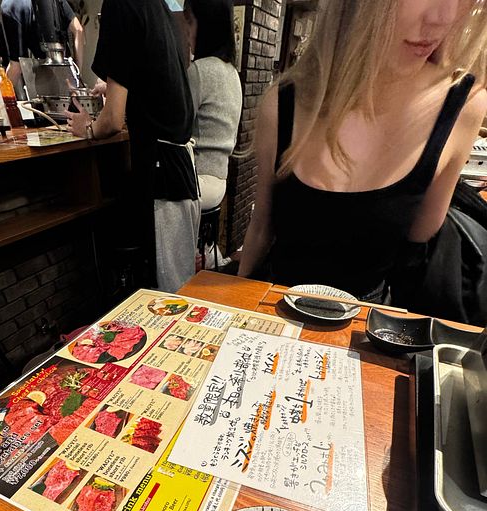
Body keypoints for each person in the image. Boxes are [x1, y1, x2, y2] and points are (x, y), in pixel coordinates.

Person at [237, 0, 487, 304]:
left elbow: (416, 258)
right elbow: (261, 229)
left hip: (368, 332)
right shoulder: (284, 102)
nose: (442, 18)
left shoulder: (463, 106)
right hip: (274, 313)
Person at [65, 0, 200, 294]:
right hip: (181, 170)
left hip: (160, 173)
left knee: (165, 296)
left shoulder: (122, 5)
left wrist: (87, 127)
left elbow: (111, 120)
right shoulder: (160, 8)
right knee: (180, 289)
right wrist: (117, 86)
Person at [183, 0, 243, 270]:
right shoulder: (232, 73)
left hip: (195, 182)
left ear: (203, 25)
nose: (187, 31)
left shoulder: (199, 70)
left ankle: (177, 278)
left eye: (190, 21)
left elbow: (177, 126)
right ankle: (208, 259)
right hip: (219, 181)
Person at [2, 0, 85, 94]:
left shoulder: (10, 5)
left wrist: (3, 96)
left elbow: (16, 66)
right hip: (69, 75)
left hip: (46, 81)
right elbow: (79, 30)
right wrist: (77, 73)